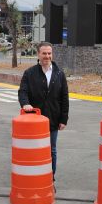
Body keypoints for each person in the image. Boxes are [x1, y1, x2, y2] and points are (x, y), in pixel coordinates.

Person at [18, 41, 69, 184]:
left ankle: (49, 179)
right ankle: (33, 178)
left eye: (49, 53)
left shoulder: (59, 74)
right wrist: (25, 103)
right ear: (38, 54)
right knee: (33, 150)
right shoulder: (29, 73)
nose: (47, 56)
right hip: (33, 120)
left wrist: (63, 119)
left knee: (51, 150)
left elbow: (64, 98)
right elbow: (23, 91)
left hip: (53, 119)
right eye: (44, 53)